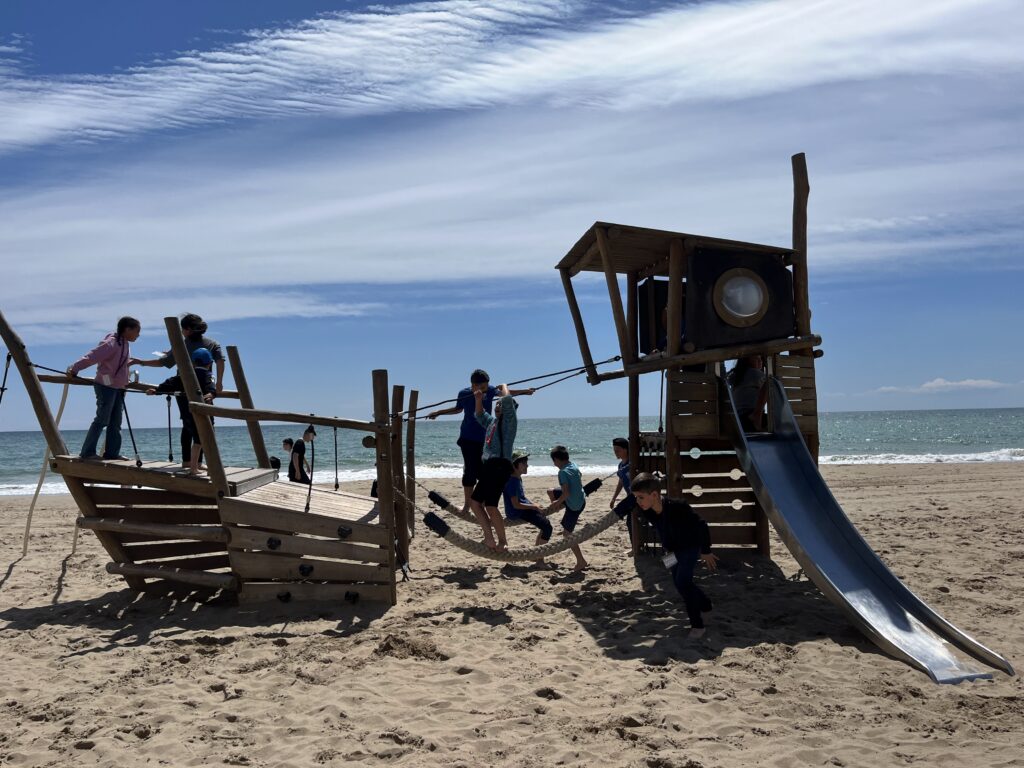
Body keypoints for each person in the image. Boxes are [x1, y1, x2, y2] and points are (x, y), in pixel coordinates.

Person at [425, 369, 534, 514]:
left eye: (486, 386)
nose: (484, 390)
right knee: (470, 471)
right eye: (481, 387)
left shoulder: (489, 390)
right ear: (473, 385)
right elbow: (457, 409)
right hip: (468, 438)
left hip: (486, 439)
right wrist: (438, 413)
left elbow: (504, 393)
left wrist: (525, 391)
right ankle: (467, 506)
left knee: (484, 472)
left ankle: (479, 503)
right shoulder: (464, 393)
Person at [630, 472, 718, 638]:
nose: (638, 501)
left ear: (654, 495)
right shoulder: (646, 509)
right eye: (636, 497)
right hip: (669, 552)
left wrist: (706, 551)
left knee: (683, 583)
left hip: (689, 548)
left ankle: (698, 625)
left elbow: (701, 525)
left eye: (640, 497)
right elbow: (628, 506)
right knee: (679, 584)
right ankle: (706, 605)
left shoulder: (678, 507)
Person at [133, 313, 225, 466]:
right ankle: (198, 463)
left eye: (182, 329)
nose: (181, 332)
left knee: (188, 425)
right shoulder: (212, 343)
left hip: (182, 387)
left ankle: (187, 462)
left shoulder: (181, 344)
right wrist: (219, 383)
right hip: (204, 389)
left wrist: (141, 362)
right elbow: (220, 361)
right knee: (204, 424)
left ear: (187, 329)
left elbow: (163, 363)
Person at [68, 316, 141, 460]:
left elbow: (119, 363)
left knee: (116, 422)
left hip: (118, 387)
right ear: (127, 329)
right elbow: (92, 356)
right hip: (105, 386)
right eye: (137, 331)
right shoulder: (111, 343)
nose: (138, 335)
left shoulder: (125, 343)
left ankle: (112, 453)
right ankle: (87, 452)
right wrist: (75, 368)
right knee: (102, 419)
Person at [145, 347, 216, 475]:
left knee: (197, 440)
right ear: (210, 363)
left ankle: (193, 466)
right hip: (204, 413)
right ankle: (203, 468)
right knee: (206, 440)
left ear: (193, 362)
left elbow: (170, 383)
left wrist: (157, 391)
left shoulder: (185, 375)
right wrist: (211, 394)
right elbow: (211, 388)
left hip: (187, 413)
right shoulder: (208, 375)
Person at [469, 384, 517, 551]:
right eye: (497, 404)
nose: (498, 406)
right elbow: (480, 415)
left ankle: (503, 541)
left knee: (490, 505)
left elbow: (507, 399)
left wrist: (504, 386)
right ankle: (489, 538)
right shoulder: (492, 422)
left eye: (500, 405)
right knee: (475, 503)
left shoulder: (509, 422)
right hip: (489, 467)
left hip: (500, 466)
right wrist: (478, 399)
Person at [502, 450, 554, 567]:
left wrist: (533, 504)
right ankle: (539, 561)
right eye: (524, 463)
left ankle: (535, 555)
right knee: (547, 528)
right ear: (515, 465)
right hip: (516, 512)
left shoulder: (517, 478)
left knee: (545, 524)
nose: (527, 465)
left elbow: (522, 497)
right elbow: (515, 504)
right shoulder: (512, 481)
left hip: (522, 508)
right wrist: (533, 506)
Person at [546, 445, 588, 571]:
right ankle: (560, 506)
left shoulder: (562, 472)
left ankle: (581, 561)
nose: (554, 464)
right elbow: (578, 477)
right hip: (581, 500)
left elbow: (566, 493)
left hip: (574, 506)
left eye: (554, 461)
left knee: (567, 535)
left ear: (557, 460)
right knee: (550, 491)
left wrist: (556, 503)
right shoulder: (573, 465)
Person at [609, 437, 639, 555]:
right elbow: (621, 482)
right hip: (630, 498)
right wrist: (614, 497)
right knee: (630, 522)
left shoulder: (632, 463)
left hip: (638, 497)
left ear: (626, 450)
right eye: (614, 450)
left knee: (633, 522)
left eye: (618, 450)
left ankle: (636, 548)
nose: (615, 453)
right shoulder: (621, 465)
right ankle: (634, 547)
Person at [728, 355, 768, 431]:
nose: (760, 361)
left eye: (761, 359)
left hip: (737, 419)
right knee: (769, 384)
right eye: (756, 358)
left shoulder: (736, 376)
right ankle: (757, 416)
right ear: (746, 360)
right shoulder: (754, 373)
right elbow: (771, 387)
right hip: (750, 417)